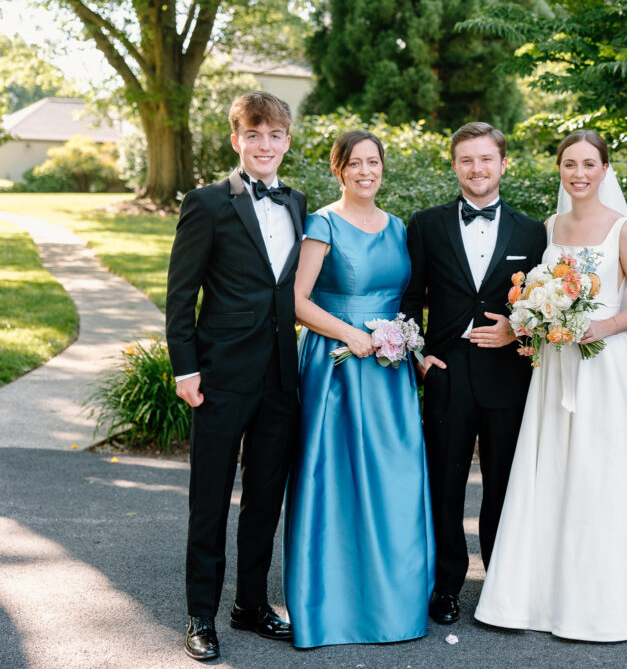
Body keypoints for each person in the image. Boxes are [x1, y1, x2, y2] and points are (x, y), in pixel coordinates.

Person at [473, 130, 627, 642]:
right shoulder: (548, 227)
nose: (578, 173)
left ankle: (604, 594)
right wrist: (529, 319)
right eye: (569, 164)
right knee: (551, 470)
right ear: (560, 170)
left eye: (589, 164)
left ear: (604, 169)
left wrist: (601, 327)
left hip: (603, 364)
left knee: (601, 472)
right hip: (554, 367)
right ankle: (540, 591)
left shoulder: (623, 230)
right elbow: (529, 294)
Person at [166, 91, 305, 661]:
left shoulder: (298, 202)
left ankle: (250, 604)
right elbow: (181, 294)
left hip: (281, 378)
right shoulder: (206, 203)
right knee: (210, 498)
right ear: (236, 140)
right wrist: (186, 369)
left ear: (287, 141)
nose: (264, 145)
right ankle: (201, 614)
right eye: (254, 134)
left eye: (275, 135)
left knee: (266, 498)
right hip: (220, 377)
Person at [282, 131, 435, 646]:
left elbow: (405, 299)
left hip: (389, 371)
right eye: (355, 163)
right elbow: (297, 301)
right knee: (335, 481)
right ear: (339, 169)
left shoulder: (397, 228)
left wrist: (407, 345)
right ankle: (333, 608)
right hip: (338, 367)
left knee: (395, 482)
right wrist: (351, 333)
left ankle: (396, 606)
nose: (366, 171)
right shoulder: (322, 224)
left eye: (374, 162)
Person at [400, 122, 547, 625]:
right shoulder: (425, 225)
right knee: (445, 483)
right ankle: (446, 586)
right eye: (466, 160)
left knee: (505, 484)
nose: (477, 169)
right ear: (455, 165)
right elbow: (409, 300)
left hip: (508, 372)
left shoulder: (533, 232)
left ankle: (501, 584)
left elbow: (542, 306)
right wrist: (416, 356)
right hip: (447, 371)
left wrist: (517, 330)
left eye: (486, 159)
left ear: (504, 164)